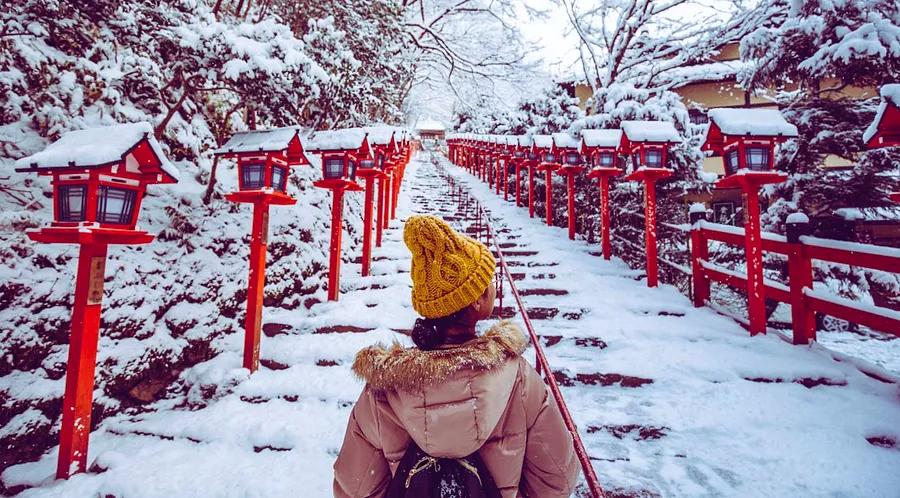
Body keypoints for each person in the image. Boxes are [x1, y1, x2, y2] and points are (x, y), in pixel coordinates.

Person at [333, 214, 579, 498]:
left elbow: (354, 486)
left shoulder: (383, 390)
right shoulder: (519, 380)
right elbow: (557, 478)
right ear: (475, 300)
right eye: (489, 281)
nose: (495, 287)